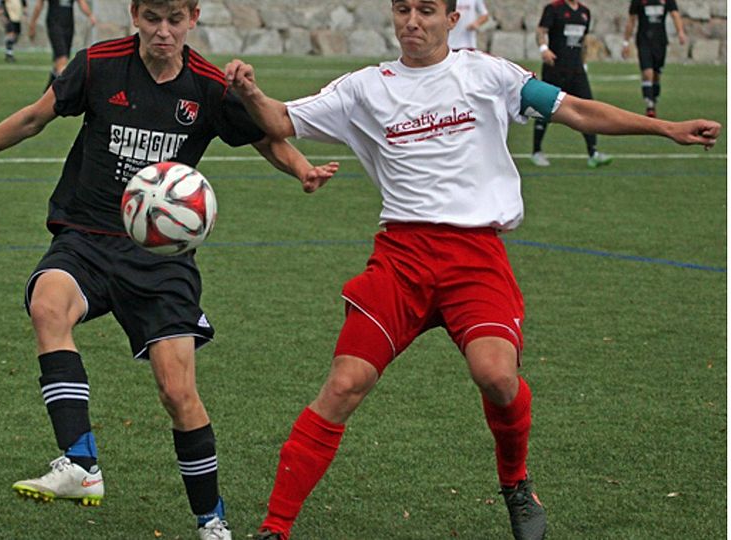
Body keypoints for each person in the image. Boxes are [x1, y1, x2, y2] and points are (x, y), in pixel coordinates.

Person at [223, 0, 720, 538]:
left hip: (474, 257)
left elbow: (574, 110)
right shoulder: (363, 88)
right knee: (343, 385)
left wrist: (665, 127)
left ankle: (515, 482)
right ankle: (275, 527)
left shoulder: (488, 75)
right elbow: (277, 121)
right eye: (404, 9)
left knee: (497, 376)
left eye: (427, 10)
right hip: (402, 257)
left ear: (452, 19)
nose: (414, 20)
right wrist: (250, 90)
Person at [0, 1, 338, 539]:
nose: (161, 32)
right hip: (87, 239)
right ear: (135, 16)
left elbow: (263, 135)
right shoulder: (98, 64)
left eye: (173, 20)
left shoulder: (208, 86)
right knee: (48, 303)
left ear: (192, 18)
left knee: (176, 390)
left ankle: (211, 521)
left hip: (160, 260)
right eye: (151, 19)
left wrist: (302, 168)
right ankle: (80, 464)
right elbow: (34, 116)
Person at [531, 0, 612, 168]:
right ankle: (536, 151)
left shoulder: (584, 12)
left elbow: (582, 42)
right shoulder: (553, 8)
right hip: (555, 68)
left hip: (576, 71)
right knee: (544, 108)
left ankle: (593, 153)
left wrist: (584, 64)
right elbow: (541, 31)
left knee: (589, 109)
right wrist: (544, 49)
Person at [622, 0, 687, 117]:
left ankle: (654, 98)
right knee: (647, 73)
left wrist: (680, 32)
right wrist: (626, 42)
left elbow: (675, 14)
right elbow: (631, 20)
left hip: (660, 41)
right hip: (644, 41)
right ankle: (649, 105)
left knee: (656, 74)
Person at [29, 0, 97, 89]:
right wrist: (32, 24)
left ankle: (47, 92)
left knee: (59, 62)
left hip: (69, 26)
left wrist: (90, 15)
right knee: (62, 59)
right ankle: (62, 95)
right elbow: (39, 5)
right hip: (54, 24)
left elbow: (81, 2)